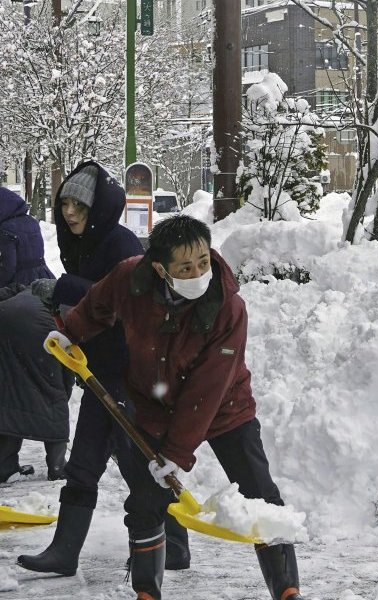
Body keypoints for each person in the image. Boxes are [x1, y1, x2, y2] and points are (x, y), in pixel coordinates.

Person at [44, 215, 304, 600]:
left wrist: (176, 454)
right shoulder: (130, 279)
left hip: (225, 409)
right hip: (154, 405)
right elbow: (97, 305)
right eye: (185, 266)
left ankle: (287, 589)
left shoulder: (227, 307)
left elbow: (208, 388)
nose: (198, 271)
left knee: (260, 494)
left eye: (203, 260)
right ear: (160, 268)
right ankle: (146, 591)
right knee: (147, 500)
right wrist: (69, 334)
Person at [19, 161, 191, 576]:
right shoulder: (82, 244)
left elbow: (126, 303)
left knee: (137, 464)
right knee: (84, 464)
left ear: (97, 208)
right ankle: (64, 552)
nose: (70, 213)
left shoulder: (122, 244)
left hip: (131, 375)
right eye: (65, 204)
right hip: (100, 372)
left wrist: (64, 289)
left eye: (79, 205)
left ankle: (175, 544)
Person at [0, 285, 72, 482]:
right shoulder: (70, 304)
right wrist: (64, 391)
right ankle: (57, 468)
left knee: (9, 398)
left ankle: (5, 467)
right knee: (54, 400)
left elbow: (9, 290)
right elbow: (68, 364)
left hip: (3, 321)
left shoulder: (31, 289)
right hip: (40, 333)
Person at [0, 187, 54, 287]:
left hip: (21, 281)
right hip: (43, 275)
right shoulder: (32, 221)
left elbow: (9, 267)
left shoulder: (6, 228)